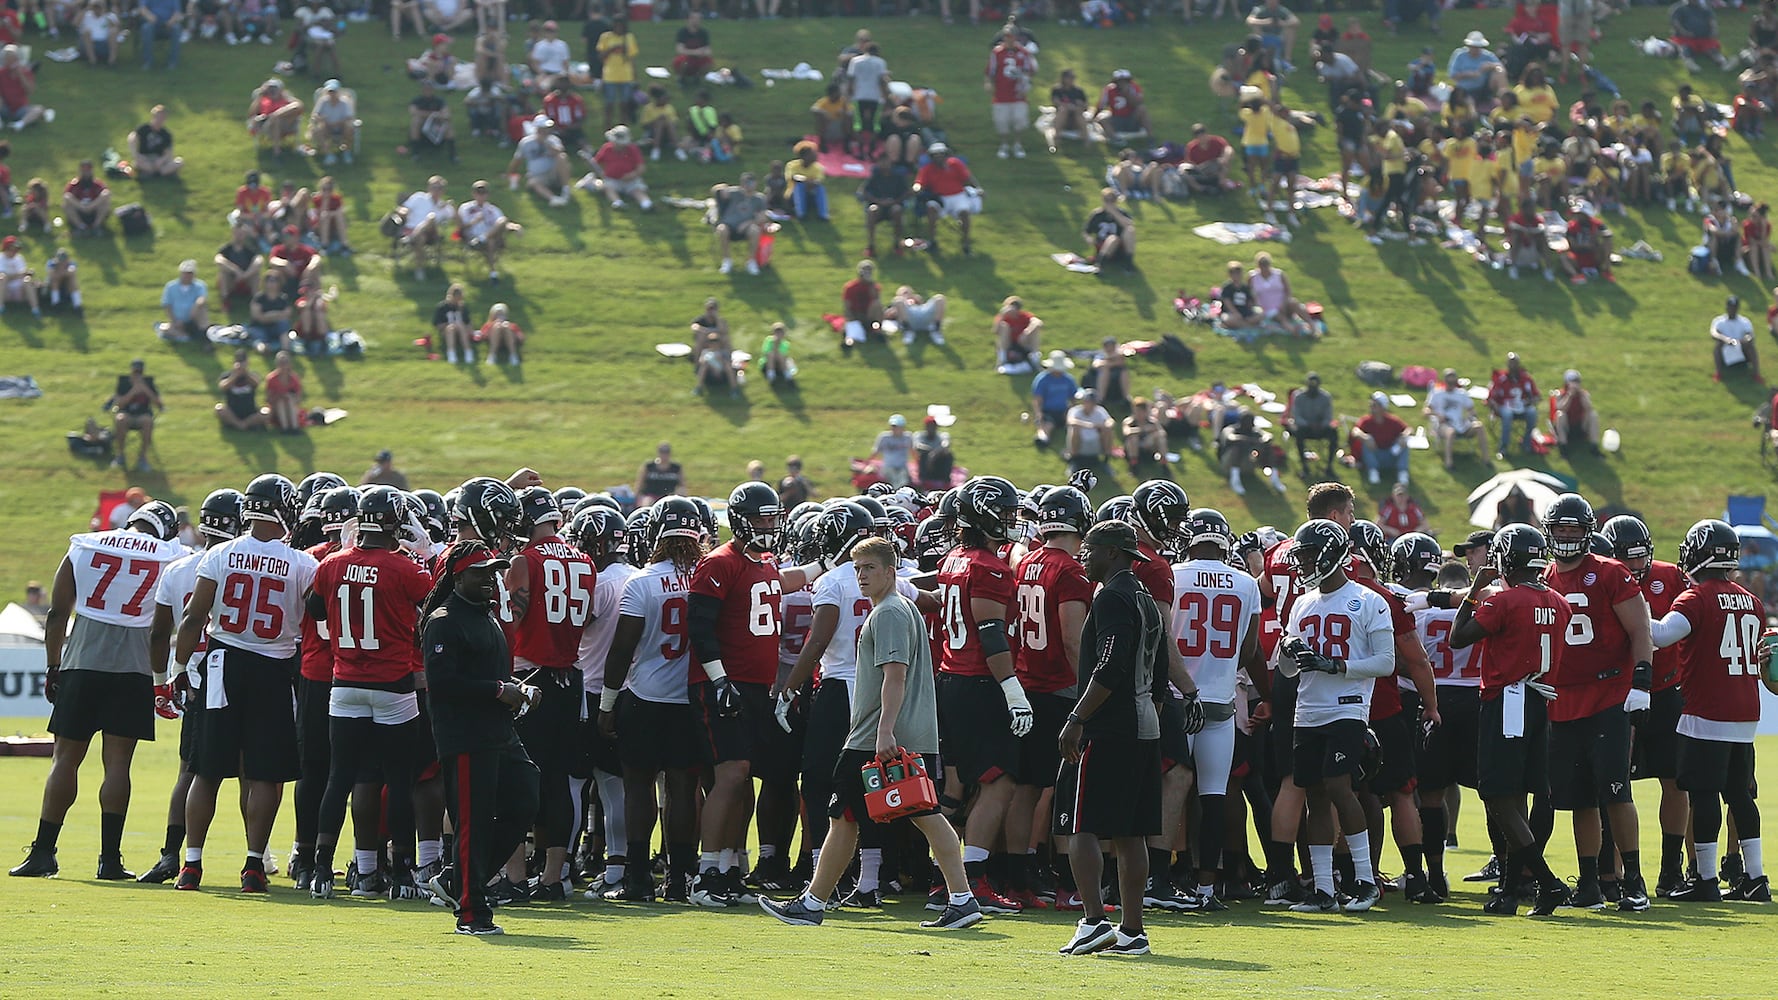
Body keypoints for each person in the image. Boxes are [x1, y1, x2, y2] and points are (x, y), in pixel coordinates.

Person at [760, 537, 983, 930]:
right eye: (858, 568)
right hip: (893, 734)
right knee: (865, 816)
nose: (861, 576)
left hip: (877, 738)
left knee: (881, 815)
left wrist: (883, 733)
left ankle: (813, 904)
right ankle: (960, 899)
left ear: (890, 572)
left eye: (870, 569)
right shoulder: (901, 608)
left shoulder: (890, 613)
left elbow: (894, 676)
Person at [7, 499, 184, 882]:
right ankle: (110, 860)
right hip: (133, 668)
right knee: (117, 765)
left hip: (83, 661)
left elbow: (57, 613)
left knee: (64, 760)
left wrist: (53, 665)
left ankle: (43, 852)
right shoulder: (172, 554)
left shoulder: (86, 543)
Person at [168, 476, 317, 893]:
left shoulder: (220, 553)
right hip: (273, 670)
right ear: (284, 509)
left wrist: (180, 667)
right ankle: (254, 864)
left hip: (222, 664)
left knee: (207, 771)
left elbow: (194, 617)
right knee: (265, 774)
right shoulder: (303, 564)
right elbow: (316, 618)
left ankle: (191, 865)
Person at [1445, 525, 1576, 915]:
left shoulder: (1504, 601)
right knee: (1518, 796)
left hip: (1508, 701)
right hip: (1539, 703)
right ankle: (1509, 890)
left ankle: (1547, 882)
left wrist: (1472, 593)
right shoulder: (1558, 601)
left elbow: (1458, 637)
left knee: (1498, 796)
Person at [1053, 520, 1169, 956]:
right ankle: (1132, 931)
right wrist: (1149, 714)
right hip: (1142, 726)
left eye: (1091, 548)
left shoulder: (1113, 596)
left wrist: (1077, 718)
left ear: (1114, 553)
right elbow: (1159, 671)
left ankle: (1094, 920)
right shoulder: (1144, 597)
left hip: (1109, 725)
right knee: (1131, 832)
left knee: (1081, 824)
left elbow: (1110, 665)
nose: (1084, 556)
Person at [418, 541, 541, 934]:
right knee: (473, 822)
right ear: (459, 576)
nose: (491, 578)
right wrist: (498, 691)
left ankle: (459, 881)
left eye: (493, 571)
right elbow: (442, 682)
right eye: (481, 572)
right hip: (466, 736)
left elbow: (487, 676)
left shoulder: (485, 615)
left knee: (526, 796)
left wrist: (517, 688)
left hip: (499, 731)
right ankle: (471, 913)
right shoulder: (443, 619)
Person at [1540, 493, 1655, 912]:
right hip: (1561, 699)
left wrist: (1641, 679)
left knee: (1614, 790)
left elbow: (1641, 629)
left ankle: (1634, 880)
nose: (1567, 536)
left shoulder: (1610, 572)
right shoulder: (1544, 577)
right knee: (1579, 797)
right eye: (1560, 528)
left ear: (1588, 532)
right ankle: (1588, 882)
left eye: (1574, 528)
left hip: (1608, 694)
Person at [1275, 519, 1394, 913]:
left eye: (1309, 555)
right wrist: (1291, 649)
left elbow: (1386, 662)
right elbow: (1288, 669)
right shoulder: (1302, 603)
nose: (1303, 563)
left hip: (1347, 706)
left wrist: (1336, 665)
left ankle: (1365, 880)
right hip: (1308, 709)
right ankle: (1324, 888)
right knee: (1315, 796)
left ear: (1330, 553)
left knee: (1340, 786)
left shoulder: (1368, 600)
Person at [1649, 520, 1770, 902]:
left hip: (1708, 710)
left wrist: (1629, 610)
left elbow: (1661, 635)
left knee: (1703, 796)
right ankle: (1755, 878)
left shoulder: (1696, 597)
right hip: (1745, 710)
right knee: (1740, 796)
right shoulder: (1751, 600)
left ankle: (1705, 879)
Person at [912, 143, 979, 257]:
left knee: (964, 212)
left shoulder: (955, 164)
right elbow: (919, 183)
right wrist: (916, 188)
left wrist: (978, 188)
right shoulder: (927, 169)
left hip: (958, 196)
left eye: (941, 155)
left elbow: (967, 178)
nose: (938, 158)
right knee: (931, 207)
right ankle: (933, 241)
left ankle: (965, 242)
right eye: (935, 155)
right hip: (940, 198)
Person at [1424, 368, 1489, 470]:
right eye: (1449, 381)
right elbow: (1426, 411)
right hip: (1443, 425)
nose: (1451, 384)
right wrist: (1437, 414)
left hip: (1460, 423)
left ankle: (1486, 460)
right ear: (1444, 381)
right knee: (1451, 432)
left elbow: (1471, 410)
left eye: (1453, 381)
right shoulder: (1437, 394)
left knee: (1479, 426)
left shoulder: (1461, 394)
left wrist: (1471, 416)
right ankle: (1449, 462)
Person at [457, 180, 520, 284]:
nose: (481, 196)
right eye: (478, 193)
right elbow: (461, 227)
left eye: (483, 193)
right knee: (491, 241)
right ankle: (493, 274)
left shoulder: (492, 209)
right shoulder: (465, 208)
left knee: (500, 225)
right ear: (473, 194)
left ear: (487, 195)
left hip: (488, 238)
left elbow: (503, 223)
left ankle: (493, 273)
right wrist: (474, 221)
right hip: (471, 238)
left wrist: (516, 227)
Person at [986, 29, 1035, 159]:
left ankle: (1017, 144)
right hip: (1001, 94)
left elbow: (1029, 71)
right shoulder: (997, 53)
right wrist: (989, 83)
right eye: (1007, 37)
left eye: (1012, 37)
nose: (1009, 40)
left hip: (1018, 94)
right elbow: (990, 71)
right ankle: (1004, 145)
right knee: (1002, 122)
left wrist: (1026, 85)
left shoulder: (1024, 53)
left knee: (1019, 120)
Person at [105, 359, 161, 472]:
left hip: (142, 415)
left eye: (139, 372)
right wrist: (133, 390)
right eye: (135, 372)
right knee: (120, 419)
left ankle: (143, 457)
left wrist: (145, 389)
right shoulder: (124, 382)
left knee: (147, 421)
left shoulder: (149, 383)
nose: (137, 374)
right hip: (126, 414)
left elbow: (159, 404)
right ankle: (120, 455)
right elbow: (119, 405)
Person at [712, 173, 769, 276]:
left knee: (755, 230)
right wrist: (723, 187)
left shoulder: (759, 198)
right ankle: (727, 260)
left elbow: (763, 217)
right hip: (729, 225)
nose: (748, 186)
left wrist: (748, 223)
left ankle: (751, 261)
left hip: (746, 228)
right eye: (746, 183)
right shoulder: (734, 192)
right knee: (721, 229)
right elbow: (715, 190)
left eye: (751, 183)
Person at [510, 116, 573, 208]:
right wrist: (511, 173)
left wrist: (545, 142)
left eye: (547, 129)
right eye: (544, 129)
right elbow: (517, 160)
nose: (546, 131)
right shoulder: (526, 142)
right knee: (534, 182)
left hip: (554, 174)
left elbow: (559, 152)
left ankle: (566, 191)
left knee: (562, 157)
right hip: (538, 176)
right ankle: (553, 199)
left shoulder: (553, 140)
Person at [1285, 371, 1338, 479]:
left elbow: (1328, 416)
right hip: (1305, 428)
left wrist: (1322, 425)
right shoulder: (1298, 396)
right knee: (1299, 434)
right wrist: (1309, 424)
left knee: (1334, 434)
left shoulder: (1325, 397)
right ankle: (1304, 467)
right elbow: (1296, 416)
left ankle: (1329, 467)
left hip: (1320, 428)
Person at [858, 151, 910, 260]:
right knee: (872, 210)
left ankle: (896, 243)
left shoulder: (898, 177)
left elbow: (906, 193)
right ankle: (871, 245)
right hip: (879, 206)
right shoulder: (875, 177)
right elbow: (865, 191)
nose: (884, 165)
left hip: (893, 205)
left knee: (897, 210)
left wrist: (895, 201)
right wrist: (877, 201)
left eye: (886, 162)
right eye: (881, 162)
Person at [589, 124, 652, 211]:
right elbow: (596, 162)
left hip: (630, 179)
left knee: (637, 190)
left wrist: (632, 175)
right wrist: (601, 173)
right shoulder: (606, 148)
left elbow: (641, 167)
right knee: (608, 188)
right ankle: (617, 203)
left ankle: (646, 204)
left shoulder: (633, 149)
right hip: (612, 179)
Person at [1488, 352, 1539, 458]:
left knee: (1532, 412)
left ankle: (1526, 442)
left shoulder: (1526, 379)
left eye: (1515, 363)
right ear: (1507, 365)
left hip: (1522, 407)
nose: (1513, 366)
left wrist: (1530, 401)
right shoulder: (1501, 380)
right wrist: (1495, 408)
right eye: (1511, 363)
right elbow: (1491, 398)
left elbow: (1536, 396)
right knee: (1507, 414)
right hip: (1504, 407)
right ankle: (1503, 447)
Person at [1356, 392, 1410, 485]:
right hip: (1375, 455)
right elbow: (1355, 431)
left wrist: (1403, 436)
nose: (1372, 406)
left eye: (1375, 404)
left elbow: (1408, 429)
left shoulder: (1392, 421)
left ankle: (1402, 472)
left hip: (1391, 455)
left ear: (1382, 407)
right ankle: (1373, 471)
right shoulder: (1366, 420)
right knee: (1367, 440)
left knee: (1404, 441)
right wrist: (1364, 437)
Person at [595, 17, 638, 130]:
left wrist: (635, 75)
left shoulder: (629, 37)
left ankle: (623, 127)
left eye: (621, 25)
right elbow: (600, 57)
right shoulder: (606, 37)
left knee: (624, 104)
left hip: (626, 74)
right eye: (617, 25)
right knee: (609, 104)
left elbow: (632, 57)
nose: (619, 28)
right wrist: (611, 49)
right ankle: (608, 127)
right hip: (610, 74)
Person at [1029, 350, 1078, 448]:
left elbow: (1073, 398)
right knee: (1048, 425)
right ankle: (1043, 438)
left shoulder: (1069, 379)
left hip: (1063, 410)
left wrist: (1071, 411)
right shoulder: (1042, 380)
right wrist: (1039, 414)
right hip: (1047, 411)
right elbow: (1037, 399)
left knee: (1073, 424)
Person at [1712, 295, 1763, 383]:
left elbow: (1750, 335)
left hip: (1741, 350)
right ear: (1726, 307)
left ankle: (1756, 374)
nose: (1732, 310)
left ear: (1738, 308)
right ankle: (1718, 373)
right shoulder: (1719, 321)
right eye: (1730, 307)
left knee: (1751, 346)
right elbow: (1714, 333)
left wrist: (1742, 341)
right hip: (1725, 351)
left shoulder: (1744, 321)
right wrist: (1726, 340)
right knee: (1718, 345)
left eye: (1734, 307)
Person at [246, 79, 303, 157]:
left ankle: (275, 115)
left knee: (291, 109)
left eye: (275, 88)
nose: (272, 90)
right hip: (269, 126)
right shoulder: (263, 100)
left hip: (287, 125)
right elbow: (251, 114)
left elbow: (299, 106)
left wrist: (276, 113)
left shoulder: (286, 98)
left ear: (280, 90)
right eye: (270, 88)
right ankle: (277, 151)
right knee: (276, 120)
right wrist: (260, 97)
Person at [215, 350, 269, 431]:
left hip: (250, 412)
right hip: (232, 411)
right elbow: (223, 387)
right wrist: (235, 375)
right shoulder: (227, 375)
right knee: (219, 408)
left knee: (266, 412)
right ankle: (238, 424)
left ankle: (244, 424)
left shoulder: (253, 374)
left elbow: (256, 384)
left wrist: (246, 373)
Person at [1064, 389, 1114, 476]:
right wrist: (1089, 425)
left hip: (1096, 442)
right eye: (1088, 402)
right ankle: (1074, 461)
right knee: (1075, 429)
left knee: (1108, 431)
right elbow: (1070, 421)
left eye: (1093, 402)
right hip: (1080, 443)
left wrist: (1103, 426)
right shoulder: (1075, 410)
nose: (1090, 405)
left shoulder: (1100, 411)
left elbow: (1110, 422)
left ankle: (1106, 460)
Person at [1082, 189, 1135, 271]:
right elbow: (1086, 231)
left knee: (1130, 230)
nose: (1109, 203)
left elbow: (1129, 225)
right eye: (1107, 200)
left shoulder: (1122, 213)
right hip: (1103, 246)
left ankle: (1129, 263)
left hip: (1120, 248)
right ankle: (1100, 264)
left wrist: (1114, 213)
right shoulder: (1097, 214)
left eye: (1112, 200)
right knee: (1113, 238)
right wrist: (1088, 238)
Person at [1552, 369, 1601, 456]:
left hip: (1580, 426)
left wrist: (1582, 395)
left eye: (1577, 382)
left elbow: (1589, 408)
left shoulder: (1583, 394)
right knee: (1560, 415)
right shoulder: (1560, 394)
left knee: (1593, 415)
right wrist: (1569, 396)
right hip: (1566, 427)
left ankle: (1594, 446)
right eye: (1572, 382)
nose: (1575, 384)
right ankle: (1563, 446)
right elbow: (1561, 408)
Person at [1672, 0, 1731, 71]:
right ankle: (1690, 64)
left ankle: (1723, 62)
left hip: (1704, 37)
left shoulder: (1705, 8)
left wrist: (1714, 31)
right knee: (1685, 48)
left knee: (1712, 49)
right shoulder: (1679, 8)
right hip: (1685, 37)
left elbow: (1712, 21)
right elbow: (1676, 22)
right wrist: (1684, 32)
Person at [1095, 69, 1151, 138]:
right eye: (1120, 81)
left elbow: (1138, 103)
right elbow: (1101, 106)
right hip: (1117, 119)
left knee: (1142, 109)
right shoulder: (1109, 89)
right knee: (1102, 120)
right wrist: (1094, 117)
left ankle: (1150, 137)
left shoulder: (1134, 88)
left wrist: (1127, 94)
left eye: (1125, 81)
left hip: (1131, 118)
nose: (1122, 83)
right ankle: (1115, 139)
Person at [992, 295, 1042, 374]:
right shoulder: (1003, 317)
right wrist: (1002, 315)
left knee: (1035, 329)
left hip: (1022, 343)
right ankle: (1002, 359)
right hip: (1008, 344)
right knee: (1004, 326)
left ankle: (1035, 359)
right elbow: (995, 331)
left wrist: (1026, 332)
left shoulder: (1024, 316)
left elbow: (1038, 322)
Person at [129, 105, 182, 178]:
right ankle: (159, 173)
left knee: (179, 161)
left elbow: (168, 152)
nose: (159, 120)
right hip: (145, 158)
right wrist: (136, 154)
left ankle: (152, 173)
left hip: (158, 159)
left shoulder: (166, 134)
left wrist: (161, 161)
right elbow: (132, 138)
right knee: (138, 163)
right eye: (157, 117)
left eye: (162, 118)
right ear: (153, 117)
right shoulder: (144, 128)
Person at [61, 160, 109, 237]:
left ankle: (96, 227)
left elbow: (106, 193)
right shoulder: (74, 184)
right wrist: (81, 207)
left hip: (94, 210)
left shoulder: (97, 184)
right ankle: (81, 227)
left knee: (105, 203)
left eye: (88, 171)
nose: (86, 173)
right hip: (79, 210)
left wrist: (91, 206)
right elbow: (66, 195)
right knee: (66, 205)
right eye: (84, 171)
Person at [841, 260, 882, 346]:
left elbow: (875, 299)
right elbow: (847, 306)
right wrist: (851, 320)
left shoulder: (874, 286)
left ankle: (877, 331)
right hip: (856, 315)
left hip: (868, 315)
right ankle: (848, 342)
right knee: (852, 331)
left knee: (877, 304)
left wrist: (870, 284)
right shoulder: (850, 287)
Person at [785, 142, 828, 222]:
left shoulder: (818, 167)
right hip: (793, 195)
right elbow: (793, 177)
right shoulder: (792, 165)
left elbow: (818, 181)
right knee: (799, 186)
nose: (816, 155)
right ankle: (801, 214)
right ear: (804, 156)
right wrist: (806, 181)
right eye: (812, 153)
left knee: (820, 188)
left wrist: (809, 183)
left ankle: (823, 214)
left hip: (811, 192)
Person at [263, 350, 303, 433]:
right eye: (281, 363)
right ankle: (285, 428)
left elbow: (298, 398)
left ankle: (294, 427)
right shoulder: (271, 379)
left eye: (285, 363)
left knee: (289, 401)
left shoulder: (294, 378)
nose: (283, 366)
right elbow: (268, 399)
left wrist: (290, 397)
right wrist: (278, 397)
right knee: (281, 402)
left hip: (290, 407)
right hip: (276, 408)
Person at [435, 282, 474, 363]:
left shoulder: (463, 307)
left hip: (462, 331)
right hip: (447, 331)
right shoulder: (442, 307)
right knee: (451, 328)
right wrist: (451, 324)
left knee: (460, 326)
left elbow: (469, 323)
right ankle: (451, 354)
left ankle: (468, 352)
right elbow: (438, 325)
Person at [871, 414, 913, 488]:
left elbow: (912, 451)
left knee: (903, 479)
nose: (894, 429)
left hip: (902, 466)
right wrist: (868, 462)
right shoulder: (884, 437)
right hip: (888, 466)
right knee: (893, 477)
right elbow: (876, 451)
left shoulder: (908, 437)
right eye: (893, 426)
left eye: (896, 427)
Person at [673, 11, 713, 87]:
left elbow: (708, 50)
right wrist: (695, 52)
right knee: (683, 62)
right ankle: (681, 78)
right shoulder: (682, 32)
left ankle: (697, 77)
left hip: (698, 59)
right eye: (693, 18)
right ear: (688, 19)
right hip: (686, 58)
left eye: (698, 18)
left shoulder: (704, 33)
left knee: (708, 62)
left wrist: (702, 53)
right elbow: (679, 50)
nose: (696, 20)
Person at [1050, 69, 1090, 143]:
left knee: (1078, 112)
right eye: (1069, 78)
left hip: (1075, 119)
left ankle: (1086, 138)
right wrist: (1068, 106)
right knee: (1063, 110)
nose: (1072, 80)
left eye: (1073, 78)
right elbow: (1056, 102)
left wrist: (1080, 105)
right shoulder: (1057, 90)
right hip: (1063, 119)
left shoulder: (1079, 91)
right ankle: (1057, 136)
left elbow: (1086, 106)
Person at [0, 234, 36, 316]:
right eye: (12, 249)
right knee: (2, 279)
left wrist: (27, 274)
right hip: (5, 290)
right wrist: (18, 275)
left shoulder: (19, 258)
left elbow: (22, 274)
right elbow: (4, 276)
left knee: (28, 279)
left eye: (15, 249)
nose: (14, 252)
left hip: (19, 289)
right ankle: (1, 307)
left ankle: (35, 309)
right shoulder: (0, 258)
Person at [914, 416, 953, 488]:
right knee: (923, 455)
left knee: (948, 454)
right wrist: (930, 452)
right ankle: (924, 480)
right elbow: (918, 446)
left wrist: (934, 454)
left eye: (933, 426)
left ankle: (945, 479)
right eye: (929, 426)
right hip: (926, 463)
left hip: (939, 462)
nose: (931, 428)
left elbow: (945, 445)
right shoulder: (919, 435)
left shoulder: (942, 435)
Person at [479, 302, 523, 367]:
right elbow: (483, 335)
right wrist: (495, 325)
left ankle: (513, 355)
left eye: (501, 314)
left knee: (505, 326)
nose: (499, 316)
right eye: (497, 314)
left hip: (508, 341)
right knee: (497, 327)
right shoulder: (488, 325)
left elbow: (520, 337)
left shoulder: (511, 325)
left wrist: (506, 327)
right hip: (495, 340)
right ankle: (492, 355)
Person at [759, 322, 796, 387]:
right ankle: (771, 376)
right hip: (767, 363)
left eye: (781, 333)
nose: (779, 335)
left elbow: (784, 356)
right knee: (771, 354)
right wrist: (775, 344)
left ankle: (788, 377)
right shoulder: (769, 340)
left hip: (780, 364)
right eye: (777, 333)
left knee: (780, 356)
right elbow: (766, 353)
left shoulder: (785, 344)